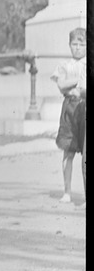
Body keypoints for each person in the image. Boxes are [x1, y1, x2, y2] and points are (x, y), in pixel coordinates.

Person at [51, 27, 86, 204]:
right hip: (70, 108)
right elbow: (61, 85)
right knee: (68, 151)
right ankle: (67, 191)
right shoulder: (65, 65)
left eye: (82, 44)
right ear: (69, 45)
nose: (78, 47)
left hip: (85, 106)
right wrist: (78, 80)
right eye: (74, 44)